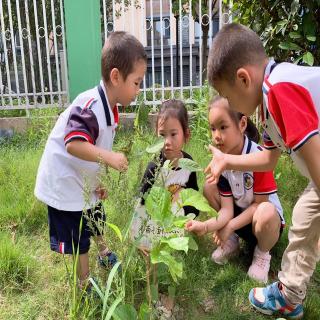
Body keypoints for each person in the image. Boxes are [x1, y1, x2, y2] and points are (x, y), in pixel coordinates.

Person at [206, 22, 320, 319]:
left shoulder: (280, 90)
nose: (230, 104)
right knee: (305, 216)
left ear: (243, 79)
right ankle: (289, 296)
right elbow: (268, 159)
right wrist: (226, 161)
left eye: (227, 97)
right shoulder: (269, 104)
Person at [34, 31, 147, 290]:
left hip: (81, 180)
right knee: (78, 237)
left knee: (96, 214)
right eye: (137, 82)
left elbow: (94, 146)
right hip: (64, 182)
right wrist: (108, 158)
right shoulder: (90, 104)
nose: (139, 90)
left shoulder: (110, 107)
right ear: (116, 76)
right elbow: (73, 143)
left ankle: (105, 253)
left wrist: (99, 178)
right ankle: (85, 286)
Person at [186, 96, 284, 283]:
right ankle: (231, 240)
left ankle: (262, 254)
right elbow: (226, 210)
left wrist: (230, 225)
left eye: (223, 127)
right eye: (213, 128)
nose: (216, 135)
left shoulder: (259, 158)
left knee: (266, 210)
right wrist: (206, 226)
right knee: (209, 187)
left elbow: (259, 206)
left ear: (242, 124)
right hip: (242, 218)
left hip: (266, 226)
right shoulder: (221, 162)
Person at [131, 99, 199, 252]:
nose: (167, 141)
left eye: (173, 134)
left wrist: (188, 220)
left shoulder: (189, 165)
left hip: (177, 220)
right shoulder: (154, 167)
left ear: (186, 135)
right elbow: (140, 200)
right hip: (155, 220)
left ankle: (176, 240)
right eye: (162, 135)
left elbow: (194, 199)